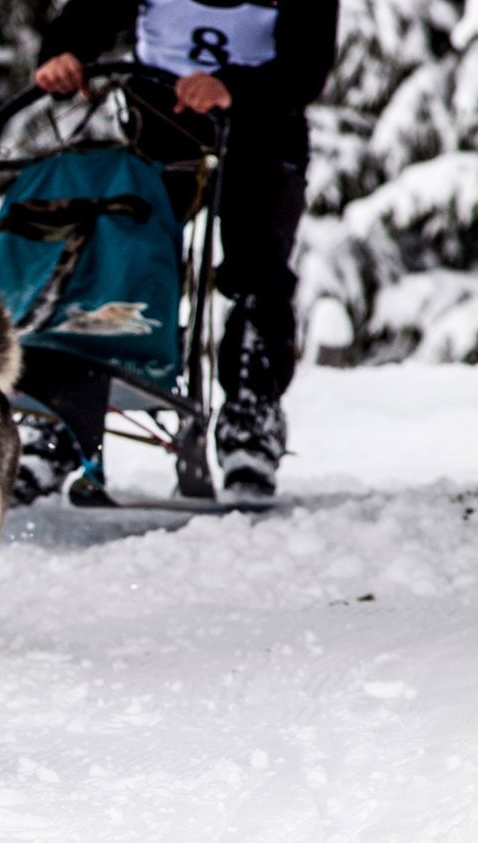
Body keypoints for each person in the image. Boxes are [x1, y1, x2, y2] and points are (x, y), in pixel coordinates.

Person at [26, 0, 339, 500]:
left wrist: (231, 87)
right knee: (114, 254)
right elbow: (83, 22)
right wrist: (63, 56)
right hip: (162, 127)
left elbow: (306, 68)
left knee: (259, 268)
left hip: (263, 132)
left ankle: (251, 419)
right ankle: (64, 419)